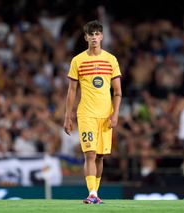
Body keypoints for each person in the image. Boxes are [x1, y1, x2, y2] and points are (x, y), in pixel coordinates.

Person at [64, 20, 122, 204]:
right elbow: (72, 90)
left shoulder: (111, 60)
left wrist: (116, 114)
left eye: (97, 34)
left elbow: (118, 91)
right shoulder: (78, 60)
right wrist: (68, 116)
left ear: (102, 36)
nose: (94, 37)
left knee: (100, 156)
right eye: (91, 34)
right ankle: (92, 194)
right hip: (86, 114)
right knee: (89, 153)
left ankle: (95, 193)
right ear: (86, 37)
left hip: (105, 115)